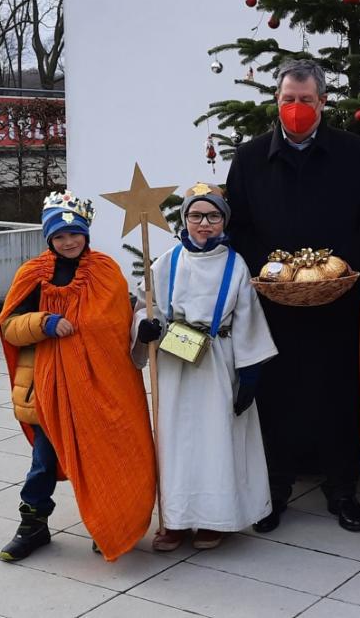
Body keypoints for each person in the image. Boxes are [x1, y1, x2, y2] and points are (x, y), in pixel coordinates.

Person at [226, 59, 360, 533]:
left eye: (305, 100)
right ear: (276, 101)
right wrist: (275, 270)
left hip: (338, 300)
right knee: (275, 392)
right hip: (273, 301)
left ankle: (342, 488)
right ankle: (273, 488)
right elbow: (236, 225)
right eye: (287, 100)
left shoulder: (356, 154)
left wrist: (331, 270)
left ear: (322, 101)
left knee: (337, 391)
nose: (296, 109)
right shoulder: (250, 156)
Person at [0, 191, 156, 562]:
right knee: (44, 461)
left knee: (112, 454)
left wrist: (143, 330)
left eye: (74, 234)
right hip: (51, 387)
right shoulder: (32, 276)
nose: (68, 242)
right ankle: (32, 526)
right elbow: (8, 327)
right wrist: (44, 322)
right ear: (49, 238)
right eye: (59, 236)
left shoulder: (105, 271)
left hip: (105, 386)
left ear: (85, 233)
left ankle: (112, 523)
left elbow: (121, 325)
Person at [133, 183, 278, 551]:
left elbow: (248, 319)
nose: (204, 224)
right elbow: (143, 307)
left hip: (218, 362)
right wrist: (144, 327)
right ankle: (176, 520)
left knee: (216, 440)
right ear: (185, 219)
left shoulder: (236, 265)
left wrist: (250, 374)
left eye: (213, 216)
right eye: (196, 216)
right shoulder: (166, 262)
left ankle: (216, 518)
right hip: (174, 361)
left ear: (223, 222)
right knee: (176, 442)